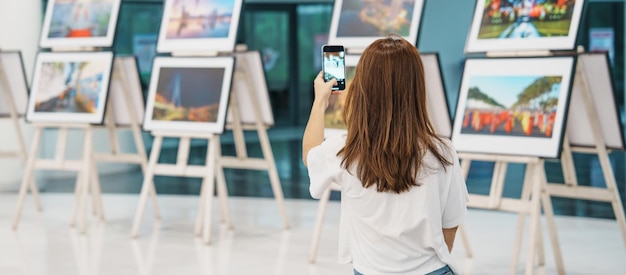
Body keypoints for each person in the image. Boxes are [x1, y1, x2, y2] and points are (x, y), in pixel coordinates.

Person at [302, 35, 468, 275]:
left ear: (362, 88)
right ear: (417, 88)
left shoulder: (344, 151)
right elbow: (450, 226)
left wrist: (320, 102)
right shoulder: (442, 151)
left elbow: (310, 155)